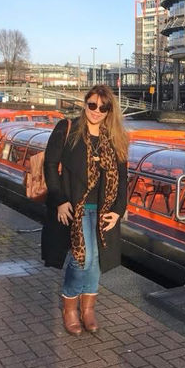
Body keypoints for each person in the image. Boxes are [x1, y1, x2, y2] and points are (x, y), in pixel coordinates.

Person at [43, 84, 128, 336]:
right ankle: (70, 307)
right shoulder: (67, 129)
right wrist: (59, 199)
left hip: (102, 209)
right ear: (85, 104)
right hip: (75, 207)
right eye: (92, 105)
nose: (97, 111)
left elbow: (123, 177)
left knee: (96, 262)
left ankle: (88, 309)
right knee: (84, 259)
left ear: (109, 110)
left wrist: (119, 210)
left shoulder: (115, 136)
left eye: (104, 107)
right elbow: (50, 164)